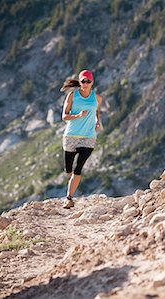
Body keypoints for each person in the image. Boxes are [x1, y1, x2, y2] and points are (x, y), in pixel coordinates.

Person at [60, 69, 102, 209]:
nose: (85, 83)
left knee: (78, 168)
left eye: (88, 81)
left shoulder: (96, 97)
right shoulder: (72, 95)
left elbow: (96, 110)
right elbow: (64, 116)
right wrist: (78, 116)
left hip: (88, 137)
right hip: (71, 136)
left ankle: (69, 198)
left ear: (92, 82)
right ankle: (72, 181)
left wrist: (97, 121)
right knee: (68, 169)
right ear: (79, 82)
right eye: (83, 81)